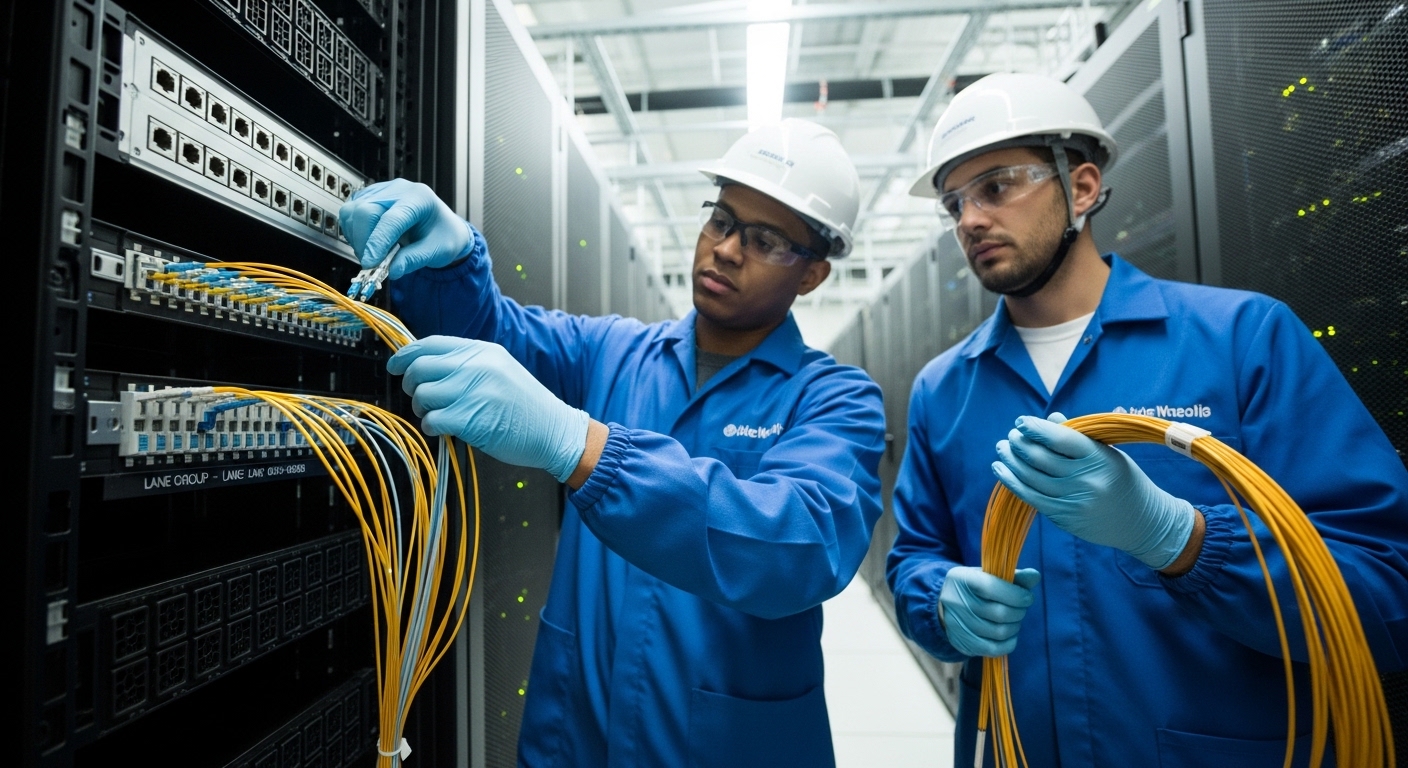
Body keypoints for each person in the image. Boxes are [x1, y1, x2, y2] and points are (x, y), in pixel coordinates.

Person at [887, 72, 1408, 767]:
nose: (969, 220)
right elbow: (914, 558)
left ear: (1080, 188)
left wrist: (1181, 539)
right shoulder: (944, 389)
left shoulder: (1241, 339)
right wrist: (940, 601)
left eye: (998, 185)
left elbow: (1387, 584)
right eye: (954, 201)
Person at [339, 119, 885, 767]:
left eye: (764, 240)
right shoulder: (615, 351)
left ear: (813, 275)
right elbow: (489, 334)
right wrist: (450, 263)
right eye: (722, 219)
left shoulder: (836, 398)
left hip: (726, 747)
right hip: (577, 735)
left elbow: (799, 544)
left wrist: (581, 446)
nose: (727, 249)